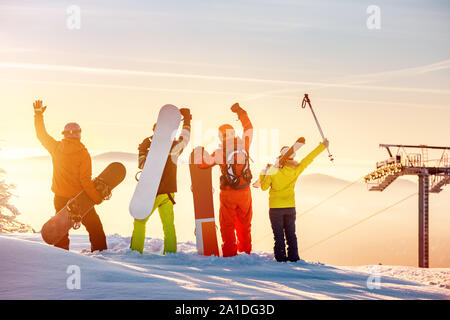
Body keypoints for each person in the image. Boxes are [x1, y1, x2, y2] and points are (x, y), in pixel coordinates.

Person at [33, 100, 107, 251]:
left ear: (65, 134)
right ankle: (100, 255)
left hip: (60, 198)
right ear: (79, 134)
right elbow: (85, 181)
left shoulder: (56, 148)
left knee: (60, 231)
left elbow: (41, 135)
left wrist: (38, 114)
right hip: (79, 200)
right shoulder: (83, 154)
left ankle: (62, 257)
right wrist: (96, 197)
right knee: (95, 228)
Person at [194, 103, 253, 257]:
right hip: (245, 191)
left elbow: (202, 164)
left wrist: (199, 151)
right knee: (245, 224)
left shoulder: (220, 151)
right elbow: (249, 128)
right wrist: (241, 112)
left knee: (227, 224)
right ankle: (245, 251)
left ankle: (229, 252)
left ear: (221, 136)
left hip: (228, 193)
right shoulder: (244, 145)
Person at [130, 108, 191, 254]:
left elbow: (141, 164)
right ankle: (170, 252)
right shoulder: (174, 146)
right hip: (168, 192)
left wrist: (146, 150)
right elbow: (185, 138)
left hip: (151, 192)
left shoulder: (147, 144)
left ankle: (136, 251)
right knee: (168, 225)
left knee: (140, 221)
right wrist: (187, 119)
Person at [259, 138, 329, 262]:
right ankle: (293, 257)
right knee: (291, 234)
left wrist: (263, 173)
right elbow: (308, 158)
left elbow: (263, 187)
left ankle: (281, 258)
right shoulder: (296, 169)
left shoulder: (274, 170)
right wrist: (322, 146)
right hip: (290, 207)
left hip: (275, 208)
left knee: (279, 235)